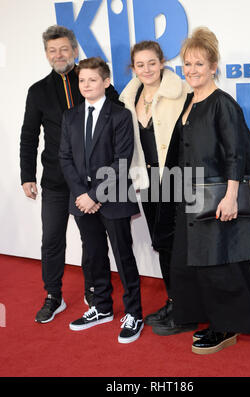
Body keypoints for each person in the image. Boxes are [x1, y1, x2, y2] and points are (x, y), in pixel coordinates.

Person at [152, 27, 250, 353]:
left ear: (214, 66)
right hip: (189, 201)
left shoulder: (223, 104)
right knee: (194, 265)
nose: (191, 70)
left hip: (216, 200)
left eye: (199, 64)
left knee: (220, 267)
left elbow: (236, 153)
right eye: (187, 64)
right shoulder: (190, 101)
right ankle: (208, 319)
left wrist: (231, 197)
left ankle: (226, 328)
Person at [20, 25, 121, 324]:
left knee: (92, 240)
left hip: (89, 184)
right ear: (47, 55)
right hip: (54, 180)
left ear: (75, 51)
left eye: (64, 49)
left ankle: (94, 291)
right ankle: (53, 295)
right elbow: (28, 135)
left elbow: (118, 118)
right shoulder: (37, 91)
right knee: (51, 240)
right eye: (52, 50)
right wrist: (27, 174)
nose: (58, 55)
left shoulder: (93, 81)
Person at [59, 57, 143, 343]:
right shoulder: (70, 116)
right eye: (81, 80)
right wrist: (83, 195)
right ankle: (101, 307)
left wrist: (95, 195)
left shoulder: (120, 115)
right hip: (81, 200)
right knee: (93, 256)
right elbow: (65, 158)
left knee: (123, 256)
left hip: (114, 198)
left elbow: (122, 161)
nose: (86, 85)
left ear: (106, 82)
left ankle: (134, 313)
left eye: (92, 80)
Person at [119, 41, 195, 334]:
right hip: (149, 183)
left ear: (162, 62)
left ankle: (187, 310)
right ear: (133, 68)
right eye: (140, 65)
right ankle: (175, 301)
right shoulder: (129, 96)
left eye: (152, 62)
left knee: (180, 246)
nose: (147, 69)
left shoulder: (182, 93)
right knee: (162, 244)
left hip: (177, 180)